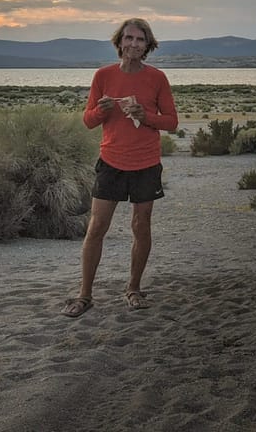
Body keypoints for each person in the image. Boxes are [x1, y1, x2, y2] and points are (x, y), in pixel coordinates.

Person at [61, 17, 178, 317]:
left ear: (147, 45)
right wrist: (101, 111)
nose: (133, 45)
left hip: (146, 163)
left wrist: (146, 114)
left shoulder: (157, 78)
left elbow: (172, 122)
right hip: (111, 162)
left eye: (140, 40)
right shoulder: (103, 76)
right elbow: (88, 121)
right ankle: (85, 295)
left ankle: (134, 289)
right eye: (128, 38)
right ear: (119, 42)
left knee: (141, 227)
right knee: (97, 226)